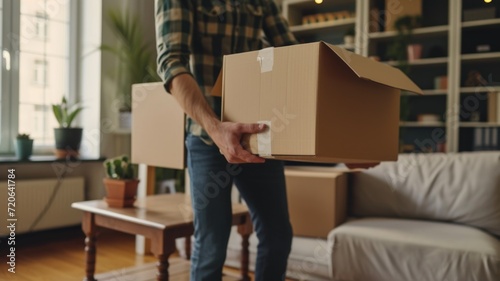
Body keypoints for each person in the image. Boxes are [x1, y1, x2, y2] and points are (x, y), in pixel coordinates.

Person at [155, 1, 298, 280]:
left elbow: (295, 55)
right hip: (207, 138)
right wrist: (216, 128)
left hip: (257, 137)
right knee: (212, 247)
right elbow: (171, 60)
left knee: (278, 236)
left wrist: (342, 143)